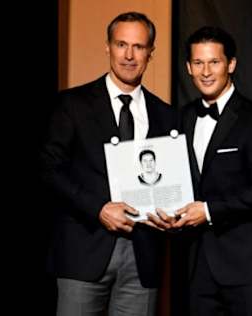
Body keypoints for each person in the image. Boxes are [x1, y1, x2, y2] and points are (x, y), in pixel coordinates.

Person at [41, 12, 176, 316]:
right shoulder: (72, 104)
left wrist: (172, 210)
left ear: (150, 52)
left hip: (143, 256)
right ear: (108, 47)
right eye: (121, 44)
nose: (129, 55)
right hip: (83, 251)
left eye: (139, 47)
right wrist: (98, 208)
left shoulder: (167, 115)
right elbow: (50, 169)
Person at [148, 26, 252, 316]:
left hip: (245, 270)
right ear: (188, 67)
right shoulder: (181, 120)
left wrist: (208, 211)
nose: (206, 71)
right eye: (198, 63)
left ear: (231, 64)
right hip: (194, 268)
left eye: (214, 62)